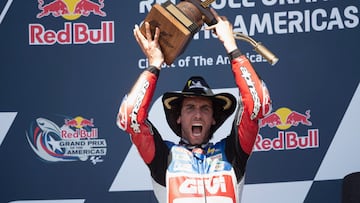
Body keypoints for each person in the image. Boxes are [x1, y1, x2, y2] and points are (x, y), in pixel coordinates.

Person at [116, 8, 272, 203]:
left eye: (205, 108)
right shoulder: (164, 157)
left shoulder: (232, 153)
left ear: (214, 118)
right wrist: (154, 64)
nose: (198, 114)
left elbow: (258, 104)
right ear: (178, 117)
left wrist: (231, 46)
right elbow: (131, 118)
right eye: (190, 108)